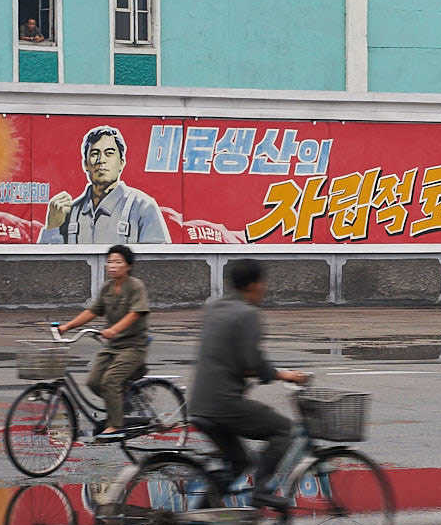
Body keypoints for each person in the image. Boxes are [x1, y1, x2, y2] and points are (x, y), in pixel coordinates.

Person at [190, 258, 311, 505]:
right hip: (223, 404)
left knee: (239, 461)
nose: (264, 289)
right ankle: (261, 491)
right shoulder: (248, 314)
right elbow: (252, 363)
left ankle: (196, 517)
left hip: (198, 404)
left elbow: (228, 354)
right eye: (263, 284)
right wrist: (283, 375)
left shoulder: (214, 307)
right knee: (283, 430)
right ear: (255, 285)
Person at [55, 244, 150, 442]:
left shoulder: (136, 286)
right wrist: (67, 327)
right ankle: (121, 404)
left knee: (110, 381)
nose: (112, 266)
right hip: (112, 347)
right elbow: (92, 312)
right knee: (93, 381)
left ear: (128, 266)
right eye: (110, 262)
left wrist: (114, 330)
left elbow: (136, 313)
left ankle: (116, 426)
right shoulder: (107, 288)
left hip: (133, 347)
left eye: (117, 262)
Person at [41, 124, 170, 244]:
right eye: (94, 154)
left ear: (121, 162)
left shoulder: (143, 208)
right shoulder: (68, 213)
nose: (101, 160)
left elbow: (158, 265)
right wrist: (52, 228)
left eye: (109, 153)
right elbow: (46, 266)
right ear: (85, 164)